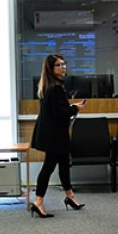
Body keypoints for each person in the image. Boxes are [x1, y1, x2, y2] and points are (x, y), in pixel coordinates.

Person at [30, 54, 87, 217]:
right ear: (51, 69)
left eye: (64, 64)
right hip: (54, 135)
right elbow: (59, 113)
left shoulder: (48, 85)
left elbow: (56, 109)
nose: (63, 67)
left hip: (53, 132)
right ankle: (38, 201)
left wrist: (70, 106)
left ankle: (70, 196)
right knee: (48, 167)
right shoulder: (55, 87)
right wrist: (75, 108)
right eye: (59, 65)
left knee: (63, 165)